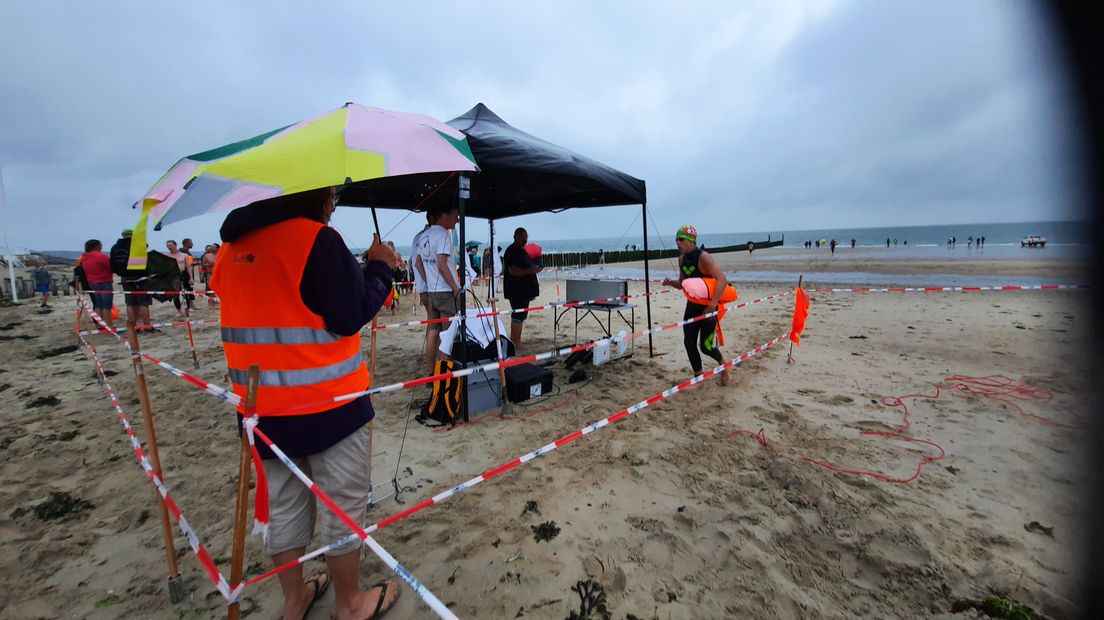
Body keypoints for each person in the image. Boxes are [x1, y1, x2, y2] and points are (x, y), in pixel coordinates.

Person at [211, 186, 401, 620]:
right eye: (331, 194)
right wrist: (379, 267)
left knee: (284, 508)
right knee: (342, 508)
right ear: (308, 192)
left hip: (262, 412)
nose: (333, 204)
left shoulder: (229, 248)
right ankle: (350, 604)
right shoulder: (316, 240)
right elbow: (350, 312)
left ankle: (294, 600)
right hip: (330, 407)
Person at [662, 225, 728, 385]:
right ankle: (698, 375)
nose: (678, 243)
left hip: (709, 308)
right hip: (691, 307)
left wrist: (712, 306)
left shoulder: (704, 257)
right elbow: (683, 283)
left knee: (705, 346)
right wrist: (672, 283)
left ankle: (723, 365)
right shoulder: (681, 259)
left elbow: (722, 280)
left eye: (681, 239)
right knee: (689, 342)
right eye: (676, 239)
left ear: (691, 240)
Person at [415, 204, 462, 370]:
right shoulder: (443, 235)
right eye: (455, 215)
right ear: (445, 215)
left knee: (433, 331)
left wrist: (428, 282)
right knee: (447, 336)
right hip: (446, 292)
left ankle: (431, 371)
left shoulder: (424, 235)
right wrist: (456, 289)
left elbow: (418, 263)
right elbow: (442, 265)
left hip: (433, 292)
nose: (457, 219)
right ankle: (442, 376)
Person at [503, 227, 542, 349]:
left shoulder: (520, 250)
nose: (525, 240)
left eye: (526, 237)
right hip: (517, 291)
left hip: (523, 292)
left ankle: (516, 341)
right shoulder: (512, 251)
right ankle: (515, 342)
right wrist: (531, 270)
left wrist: (533, 269)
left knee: (520, 316)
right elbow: (513, 270)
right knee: (518, 316)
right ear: (515, 237)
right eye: (522, 237)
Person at [110, 227, 153, 329]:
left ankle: (133, 326)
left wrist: (119, 272)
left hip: (125, 277)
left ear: (122, 235)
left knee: (130, 303)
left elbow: (112, 263)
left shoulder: (115, 247)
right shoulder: (137, 244)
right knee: (143, 302)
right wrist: (148, 274)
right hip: (140, 276)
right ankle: (147, 326)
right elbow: (145, 258)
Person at [79, 239, 114, 323]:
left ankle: (99, 324)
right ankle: (109, 325)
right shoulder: (101, 256)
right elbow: (111, 268)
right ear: (96, 246)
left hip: (92, 282)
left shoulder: (84, 257)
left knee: (98, 304)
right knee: (106, 306)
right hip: (104, 281)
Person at [165, 240, 194, 315]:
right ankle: (179, 311)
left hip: (183, 274)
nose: (169, 247)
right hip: (173, 275)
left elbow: (188, 267)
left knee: (185, 293)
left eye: (170, 245)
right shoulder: (166, 256)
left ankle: (187, 310)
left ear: (175, 245)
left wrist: (191, 278)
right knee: (175, 295)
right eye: (167, 246)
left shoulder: (184, 255)